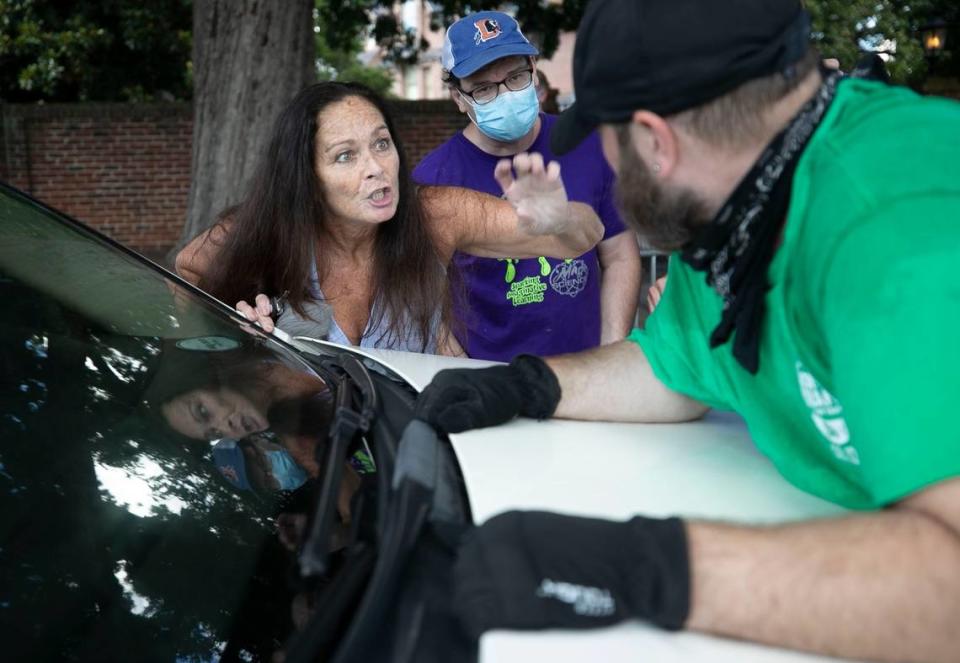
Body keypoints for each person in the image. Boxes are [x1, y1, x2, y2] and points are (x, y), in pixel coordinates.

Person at [414, 1, 960, 661]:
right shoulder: (743, 195)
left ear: (655, 141)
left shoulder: (900, 233)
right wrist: (530, 383)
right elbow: (673, 364)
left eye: (604, 137)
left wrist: (648, 567)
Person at [176, 81, 603, 355]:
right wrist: (228, 333)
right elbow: (186, 271)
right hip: (309, 468)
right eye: (345, 156)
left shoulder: (436, 214)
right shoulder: (264, 233)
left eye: (381, 144)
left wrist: (557, 218)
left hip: (412, 457)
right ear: (305, 177)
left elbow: (583, 237)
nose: (376, 167)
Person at [413, 11, 641, 361]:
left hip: (584, 373)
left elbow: (620, 255)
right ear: (459, 98)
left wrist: (609, 355)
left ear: (534, 70)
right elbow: (423, 294)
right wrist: (463, 374)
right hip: (488, 377)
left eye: (516, 77)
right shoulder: (434, 180)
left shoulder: (588, 145)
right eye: (484, 88)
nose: (505, 95)